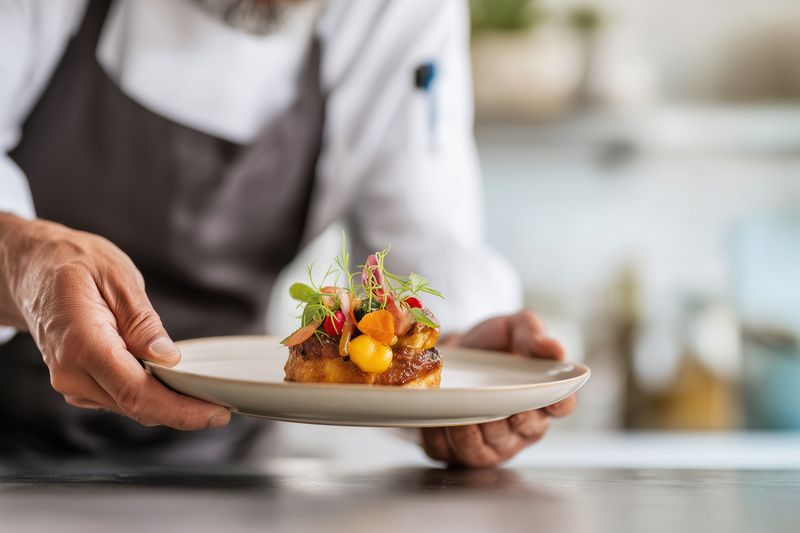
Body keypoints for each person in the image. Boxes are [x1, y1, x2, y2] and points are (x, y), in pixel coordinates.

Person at [0, 0, 575, 467]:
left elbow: (429, 236)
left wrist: (461, 383)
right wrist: (21, 260)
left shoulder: (401, 13)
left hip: (227, 463)